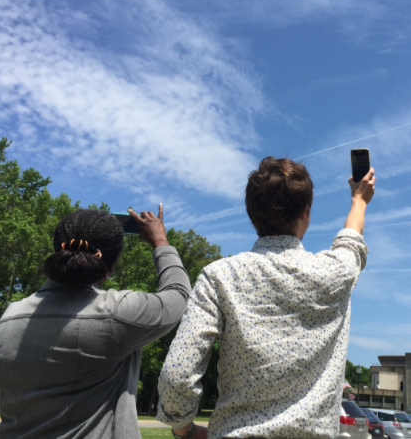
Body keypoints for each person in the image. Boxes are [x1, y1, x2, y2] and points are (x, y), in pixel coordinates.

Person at [157, 157, 375, 439]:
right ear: (306, 211)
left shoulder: (220, 276)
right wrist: (359, 199)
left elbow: (177, 376)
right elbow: (350, 240)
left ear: (252, 216)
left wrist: (184, 430)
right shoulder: (335, 273)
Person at [0, 205, 191, 439]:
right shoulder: (116, 314)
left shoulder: (8, 318)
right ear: (110, 265)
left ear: (58, 251)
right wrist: (160, 242)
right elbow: (178, 295)